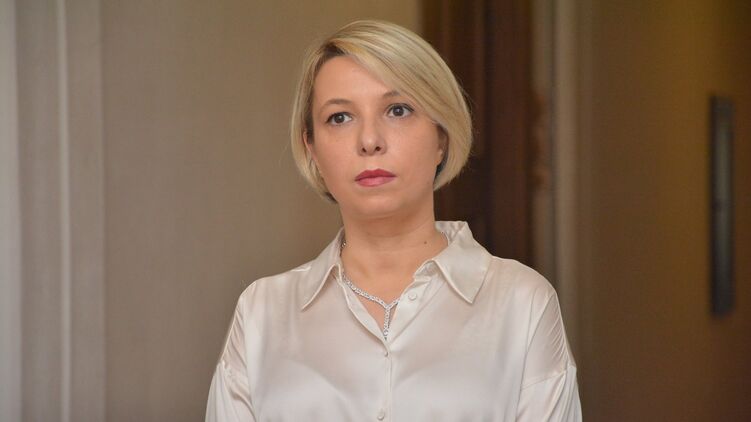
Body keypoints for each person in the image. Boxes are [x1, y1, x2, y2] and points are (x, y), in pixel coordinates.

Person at [206, 20, 581, 421]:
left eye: (398, 110)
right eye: (340, 117)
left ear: (441, 137)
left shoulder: (522, 303)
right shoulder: (262, 313)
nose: (370, 140)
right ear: (311, 147)